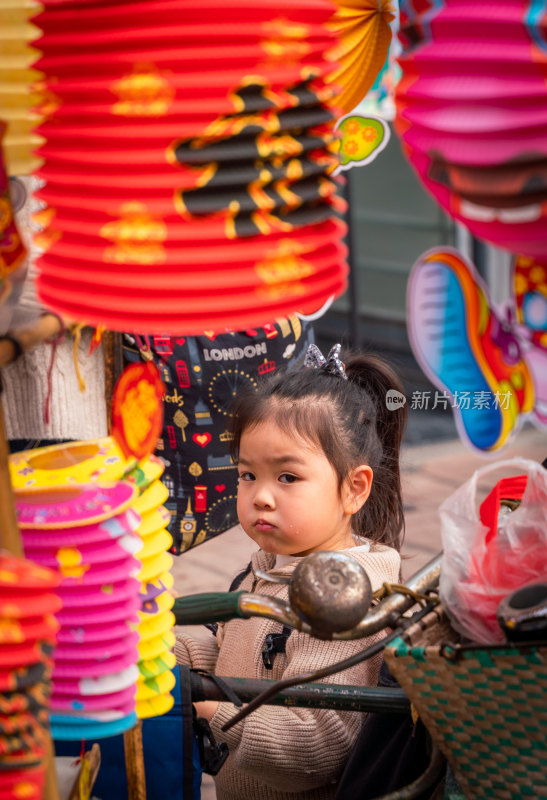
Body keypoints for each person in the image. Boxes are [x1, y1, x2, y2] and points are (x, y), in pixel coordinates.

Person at [174, 343, 407, 800]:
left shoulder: (342, 603)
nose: (261, 496)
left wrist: (208, 711)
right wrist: (172, 653)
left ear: (354, 489)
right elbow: (235, 655)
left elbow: (316, 745)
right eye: (247, 475)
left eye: (287, 478)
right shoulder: (270, 569)